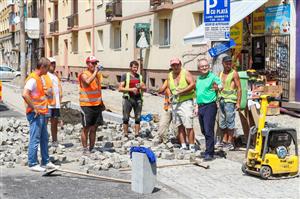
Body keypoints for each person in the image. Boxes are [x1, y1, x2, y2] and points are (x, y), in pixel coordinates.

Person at [22, 57, 59, 172]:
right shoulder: (32, 79)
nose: (48, 70)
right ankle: (32, 163)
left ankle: (46, 161)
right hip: (35, 114)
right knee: (35, 138)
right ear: (42, 67)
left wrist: (47, 94)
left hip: (42, 113)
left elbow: (39, 94)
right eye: (47, 68)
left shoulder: (39, 78)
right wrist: (34, 107)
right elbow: (25, 94)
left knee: (44, 138)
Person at [194, 58, 222, 161]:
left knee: (209, 129)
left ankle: (209, 153)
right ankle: (210, 148)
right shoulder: (199, 79)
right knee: (203, 130)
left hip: (210, 105)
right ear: (199, 68)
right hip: (201, 106)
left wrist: (217, 87)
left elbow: (220, 85)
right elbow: (198, 93)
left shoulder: (212, 76)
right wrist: (196, 106)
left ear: (209, 67)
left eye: (206, 66)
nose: (205, 67)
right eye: (202, 66)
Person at [168, 58, 196, 152]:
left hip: (186, 102)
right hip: (175, 103)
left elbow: (193, 84)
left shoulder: (185, 72)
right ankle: (183, 145)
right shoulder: (170, 75)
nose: (175, 67)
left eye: (177, 65)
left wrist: (181, 92)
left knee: (188, 124)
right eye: (173, 65)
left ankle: (192, 146)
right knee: (179, 125)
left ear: (180, 64)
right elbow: (168, 88)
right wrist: (169, 97)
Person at [79, 56, 105, 154]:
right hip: (86, 105)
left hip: (97, 104)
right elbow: (87, 82)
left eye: (95, 63)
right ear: (87, 64)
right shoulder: (83, 74)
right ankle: (85, 149)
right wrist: (95, 72)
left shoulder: (97, 75)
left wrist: (101, 103)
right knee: (86, 128)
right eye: (92, 63)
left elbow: (98, 89)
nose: (94, 65)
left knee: (94, 127)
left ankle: (92, 148)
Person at [218, 55, 241, 150]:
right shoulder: (220, 73)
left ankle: (230, 142)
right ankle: (224, 140)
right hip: (221, 99)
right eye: (226, 63)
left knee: (230, 121)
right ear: (222, 63)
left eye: (230, 63)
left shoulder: (234, 73)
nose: (228, 64)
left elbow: (239, 88)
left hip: (230, 101)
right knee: (222, 122)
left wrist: (238, 102)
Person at [118, 61, 146, 138]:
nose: (135, 69)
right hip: (128, 99)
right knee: (126, 117)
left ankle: (137, 134)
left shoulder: (139, 77)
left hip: (138, 98)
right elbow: (120, 88)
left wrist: (141, 87)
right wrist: (131, 89)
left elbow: (145, 88)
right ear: (130, 67)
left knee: (138, 117)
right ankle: (126, 134)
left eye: (137, 67)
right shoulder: (125, 76)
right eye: (134, 67)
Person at [42, 57, 62, 147]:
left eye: (54, 63)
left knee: (54, 123)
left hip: (55, 103)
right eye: (51, 63)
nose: (53, 65)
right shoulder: (44, 75)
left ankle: (54, 141)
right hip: (47, 104)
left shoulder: (56, 76)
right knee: (44, 123)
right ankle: (43, 141)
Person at [157, 79, 172, 143]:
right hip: (167, 107)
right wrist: (165, 87)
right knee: (162, 128)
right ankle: (164, 141)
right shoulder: (168, 80)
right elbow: (160, 91)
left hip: (179, 108)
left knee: (178, 131)